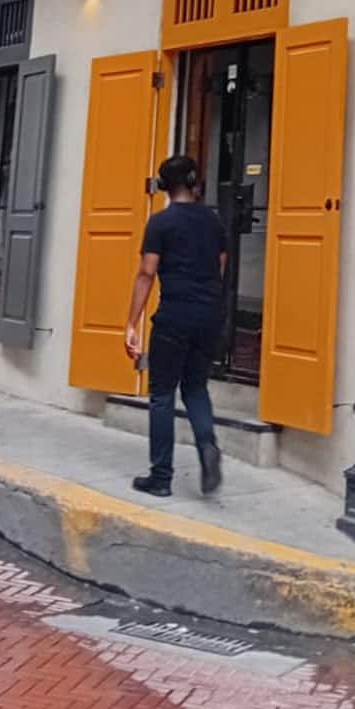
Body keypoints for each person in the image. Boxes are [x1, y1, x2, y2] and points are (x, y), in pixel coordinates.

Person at [125, 154, 225, 498]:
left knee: (162, 394)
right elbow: (220, 267)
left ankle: (161, 477)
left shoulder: (160, 223)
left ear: (164, 186)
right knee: (195, 387)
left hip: (174, 315)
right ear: (195, 182)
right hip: (210, 315)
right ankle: (207, 445)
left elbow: (147, 273)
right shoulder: (214, 222)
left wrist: (131, 323)